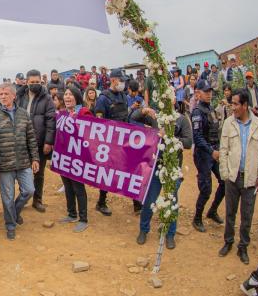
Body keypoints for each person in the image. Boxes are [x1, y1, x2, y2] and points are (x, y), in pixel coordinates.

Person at [0, 83, 39, 240]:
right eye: (0, 94)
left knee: (29, 190)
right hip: (4, 164)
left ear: (14, 96)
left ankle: (14, 212)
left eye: (6, 94)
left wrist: (35, 157)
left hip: (23, 162)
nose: (2, 97)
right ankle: (10, 225)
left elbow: (31, 138)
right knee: (7, 197)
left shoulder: (23, 114)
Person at [134, 103, 193, 249]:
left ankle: (170, 234)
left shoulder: (181, 119)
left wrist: (170, 137)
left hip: (172, 168)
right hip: (155, 166)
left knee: (171, 202)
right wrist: (143, 111)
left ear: (173, 101)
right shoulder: (156, 117)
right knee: (149, 200)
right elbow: (133, 118)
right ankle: (143, 230)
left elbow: (188, 142)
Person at [218, 89, 258, 265]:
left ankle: (243, 246)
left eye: (236, 104)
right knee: (230, 212)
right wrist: (225, 173)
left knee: (247, 215)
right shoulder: (229, 123)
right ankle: (228, 242)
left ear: (245, 106)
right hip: (232, 176)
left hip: (250, 178)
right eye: (232, 103)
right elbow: (223, 150)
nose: (233, 107)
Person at [94, 68, 134, 215]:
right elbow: (99, 123)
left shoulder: (123, 96)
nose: (123, 84)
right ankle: (101, 202)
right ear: (113, 80)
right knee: (107, 172)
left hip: (125, 140)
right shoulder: (103, 98)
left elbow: (127, 116)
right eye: (121, 81)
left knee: (130, 169)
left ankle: (137, 203)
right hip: (110, 142)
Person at [16, 69, 56, 213]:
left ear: (41, 82)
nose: (35, 84)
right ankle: (24, 196)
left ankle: (37, 200)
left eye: (37, 82)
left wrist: (48, 142)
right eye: (32, 82)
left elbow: (51, 120)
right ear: (26, 82)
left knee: (38, 173)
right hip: (21, 141)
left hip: (39, 142)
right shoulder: (19, 96)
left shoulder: (47, 98)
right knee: (22, 171)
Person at [191, 79, 225, 233]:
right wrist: (212, 151)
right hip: (204, 155)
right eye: (206, 91)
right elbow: (197, 137)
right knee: (206, 189)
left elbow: (215, 131)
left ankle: (212, 211)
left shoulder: (211, 108)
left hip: (215, 153)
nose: (209, 94)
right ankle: (197, 218)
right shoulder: (197, 112)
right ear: (198, 93)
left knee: (224, 181)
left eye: (210, 91)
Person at [57, 86, 92, 233]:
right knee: (68, 185)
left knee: (78, 187)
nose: (67, 97)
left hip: (78, 156)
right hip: (64, 156)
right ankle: (71, 214)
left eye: (70, 94)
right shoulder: (63, 113)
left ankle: (83, 219)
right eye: (65, 94)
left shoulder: (84, 112)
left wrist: (76, 122)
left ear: (77, 97)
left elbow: (91, 131)